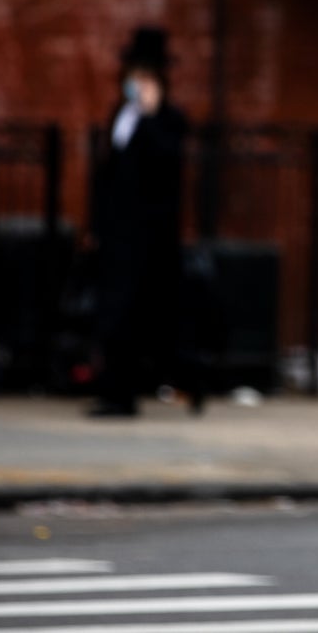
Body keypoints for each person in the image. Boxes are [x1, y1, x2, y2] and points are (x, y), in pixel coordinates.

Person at [87, 26, 189, 418]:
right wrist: (95, 227)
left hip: (149, 238)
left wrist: (149, 116)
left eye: (146, 77)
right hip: (117, 234)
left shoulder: (169, 120)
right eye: (135, 75)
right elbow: (106, 175)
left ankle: (130, 392)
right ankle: (113, 390)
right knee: (112, 312)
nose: (138, 83)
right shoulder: (120, 114)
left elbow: (168, 164)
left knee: (138, 314)